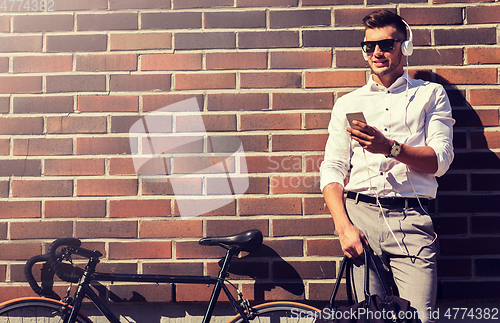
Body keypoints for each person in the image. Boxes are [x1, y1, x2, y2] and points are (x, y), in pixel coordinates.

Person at [319, 9, 454, 323]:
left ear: (404, 47)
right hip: (360, 220)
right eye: (370, 46)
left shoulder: (430, 95)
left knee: (421, 318)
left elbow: (440, 160)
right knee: (369, 319)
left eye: (386, 44)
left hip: (411, 218)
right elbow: (332, 168)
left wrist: (390, 148)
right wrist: (343, 227)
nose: (377, 52)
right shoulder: (348, 103)